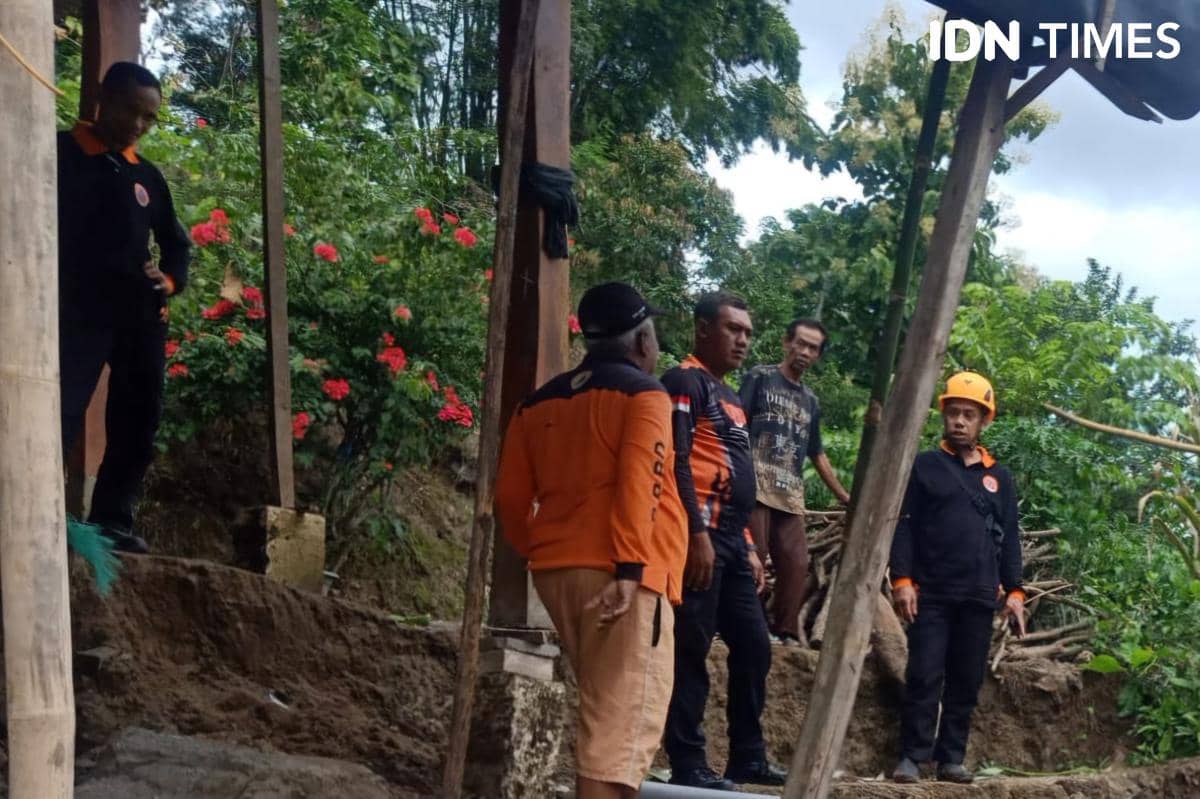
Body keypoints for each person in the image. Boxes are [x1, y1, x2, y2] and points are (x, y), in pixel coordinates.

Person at [495, 282, 687, 799]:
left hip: (559, 572)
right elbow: (639, 483)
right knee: (618, 738)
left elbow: (510, 499)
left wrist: (541, 550)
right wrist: (629, 569)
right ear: (643, 342)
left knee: (603, 716)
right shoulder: (646, 395)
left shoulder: (535, 404)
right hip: (626, 581)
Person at [58, 62, 191, 554]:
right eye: (131, 111)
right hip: (78, 308)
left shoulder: (147, 176)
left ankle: (112, 519)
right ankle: (40, 508)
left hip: (137, 314)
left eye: (149, 118)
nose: (138, 124)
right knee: (62, 407)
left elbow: (177, 245)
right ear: (102, 98)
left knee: (138, 416)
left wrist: (170, 280)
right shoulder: (60, 154)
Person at [661, 292, 786, 790]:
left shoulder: (732, 398)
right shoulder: (682, 382)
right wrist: (695, 533)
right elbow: (676, 459)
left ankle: (747, 757)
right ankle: (687, 761)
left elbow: (738, 474)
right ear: (703, 329)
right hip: (700, 535)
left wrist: (751, 545)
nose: (742, 340)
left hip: (733, 540)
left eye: (748, 333)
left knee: (755, 646)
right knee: (690, 645)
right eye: (733, 329)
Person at [889, 372, 1026, 785]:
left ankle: (951, 758)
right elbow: (905, 526)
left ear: (984, 421)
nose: (960, 421)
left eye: (969, 414)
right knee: (924, 673)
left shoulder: (998, 478)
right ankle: (912, 757)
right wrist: (903, 580)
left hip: (980, 596)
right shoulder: (925, 467)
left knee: (966, 680)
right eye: (953, 413)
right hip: (932, 592)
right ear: (943, 416)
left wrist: (1016, 591)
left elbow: (1011, 537)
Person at [739, 318, 851, 644]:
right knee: (754, 559)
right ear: (787, 343)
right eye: (800, 343)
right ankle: (752, 628)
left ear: (817, 356)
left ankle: (784, 630)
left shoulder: (811, 401)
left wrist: (845, 497)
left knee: (796, 562)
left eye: (812, 348)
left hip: (790, 493)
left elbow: (817, 453)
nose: (803, 351)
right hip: (756, 485)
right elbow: (737, 425)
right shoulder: (760, 378)